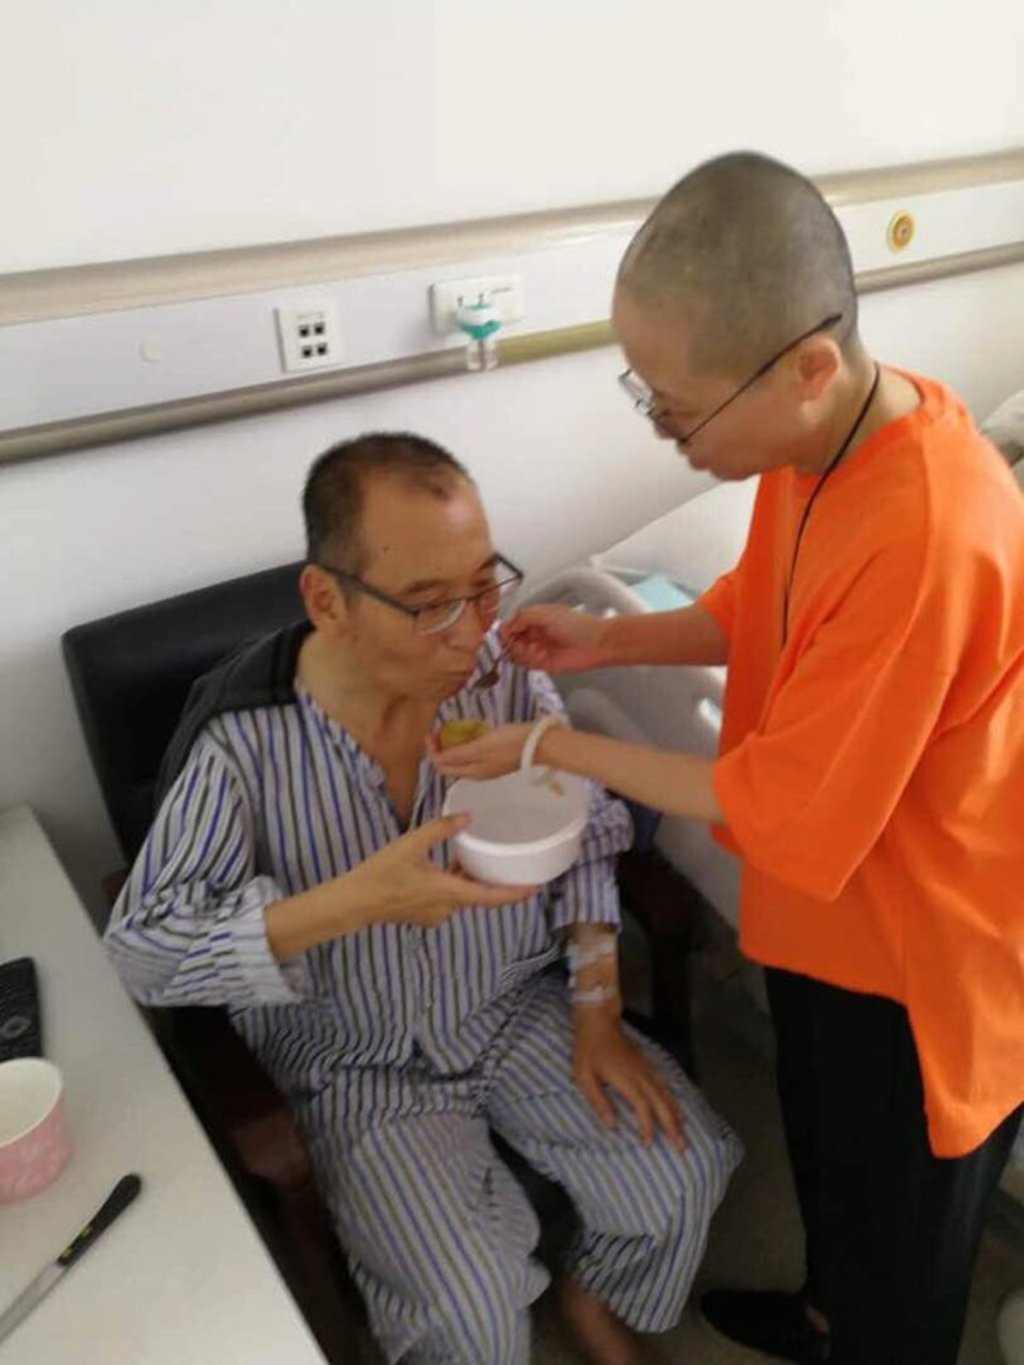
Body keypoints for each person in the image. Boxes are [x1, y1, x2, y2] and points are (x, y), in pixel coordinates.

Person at [432, 153, 1024, 1365]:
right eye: (644, 397)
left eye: (679, 408)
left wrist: (550, 741)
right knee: (828, 1163)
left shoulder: (928, 531)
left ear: (806, 365)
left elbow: (786, 812)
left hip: (922, 960)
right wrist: (609, 638)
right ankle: (824, 1312)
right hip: (825, 919)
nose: (666, 433)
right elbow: (767, 602)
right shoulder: (828, 445)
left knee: (901, 1247)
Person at [104, 432, 741, 1365]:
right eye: (430, 603)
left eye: (484, 586)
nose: (471, 630)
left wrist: (598, 1007)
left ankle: (591, 1296)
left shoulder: (504, 676)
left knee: (685, 1171)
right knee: (469, 1312)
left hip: (512, 1006)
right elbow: (141, 953)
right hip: (352, 1058)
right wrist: (349, 902)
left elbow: (586, 834)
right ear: (327, 600)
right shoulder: (240, 743)